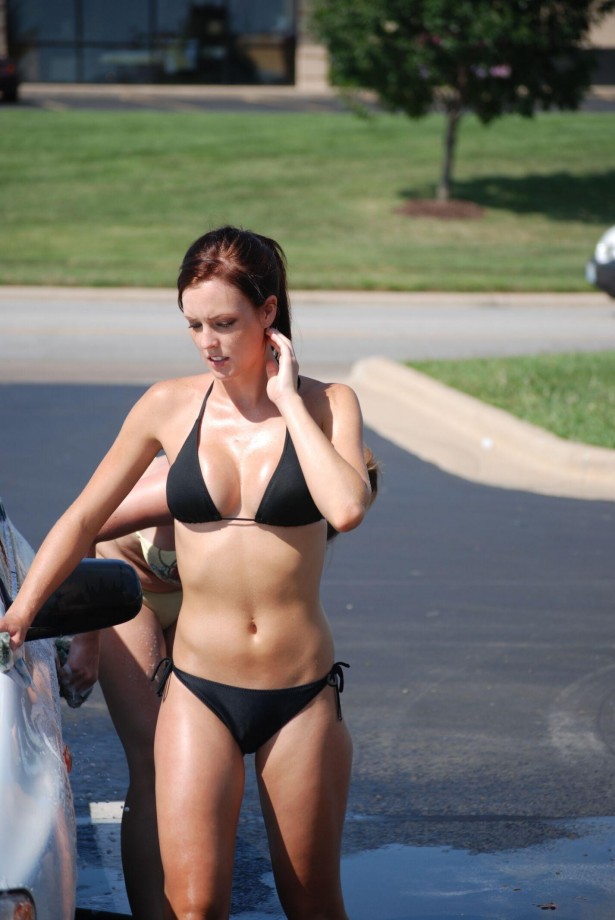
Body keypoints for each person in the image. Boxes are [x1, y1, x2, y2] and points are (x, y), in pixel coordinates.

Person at [0, 226, 374, 919]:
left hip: (300, 696)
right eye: (195, 325)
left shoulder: (328, 405)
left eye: (226, 323)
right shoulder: (168, 407)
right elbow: (85, 517)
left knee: (312, 903)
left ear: (269, 313)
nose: (209, 342)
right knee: (193, 907)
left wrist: (290, 400)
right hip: (200, 693)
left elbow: (346, 507)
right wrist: (23, 611)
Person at [66, 455, 178, 920]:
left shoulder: (296, 495)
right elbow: (84, 524)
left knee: (207, 760)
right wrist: (86, 635)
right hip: (127, 588)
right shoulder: (187, 477)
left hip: (207, 598)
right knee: (155, 760)